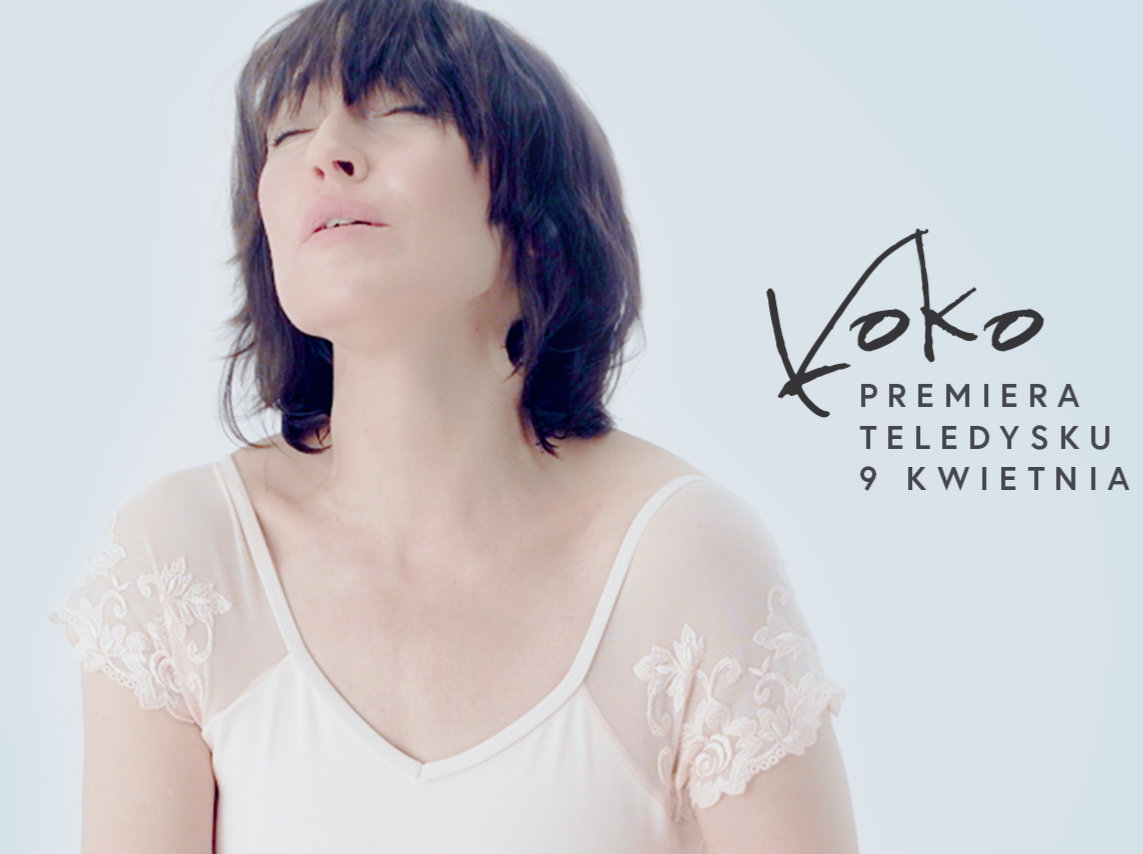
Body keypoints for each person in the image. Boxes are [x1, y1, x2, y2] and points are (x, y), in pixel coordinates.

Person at [48, 0, 858, 850]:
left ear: (535, 228)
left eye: (399, 110)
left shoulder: (678, 556)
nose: (327, 152)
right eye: (288, 133)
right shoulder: (183, 557)